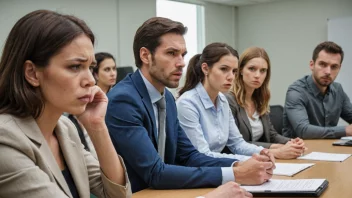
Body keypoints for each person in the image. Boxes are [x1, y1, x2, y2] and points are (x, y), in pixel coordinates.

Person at [106, 17, 274, 193]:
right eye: (171, 53)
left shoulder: (167, 99)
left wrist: (242, 164)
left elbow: (189, 156)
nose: (181, 63)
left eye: (183, 54)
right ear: (145, 55)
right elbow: (155, 173)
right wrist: (236, 174)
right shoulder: (124, 100)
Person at [0, 10, 131, 198]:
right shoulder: (5, 139)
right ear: (32, 73)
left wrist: (97, 126)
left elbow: (119, 195)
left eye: (91, 67)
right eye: (75, 66)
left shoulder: (65, 128)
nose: (91, 81)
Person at [176, 43, 275, 161]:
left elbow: (237, 144)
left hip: (215, 168)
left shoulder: (222, 100)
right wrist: (247, 161)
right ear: (205, 68)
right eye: (224, 69)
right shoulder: (187, 103)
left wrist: (263, 152)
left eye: (234, 71)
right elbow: (202, 155)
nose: (231, 77)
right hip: (196, 172)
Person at [225, 47, 306, 159]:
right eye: (252, 69)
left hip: (262, 160)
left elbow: (271, 134)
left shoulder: (259, 99)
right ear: (240, 70)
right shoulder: (228, 100)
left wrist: (292, 142)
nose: (257, 75)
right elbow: (237, 144)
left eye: (263, 71)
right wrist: (274, 147)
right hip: (240, 161)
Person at [282, 41, 352, 139]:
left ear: (339, 68)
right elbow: (303, 130)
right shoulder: (296, 91)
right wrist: (345, 130)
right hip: (300, 150)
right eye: (323, 64)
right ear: (312, 65)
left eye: (334, 67)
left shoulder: (338, 89)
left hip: (329, 149)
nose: (328, 71)